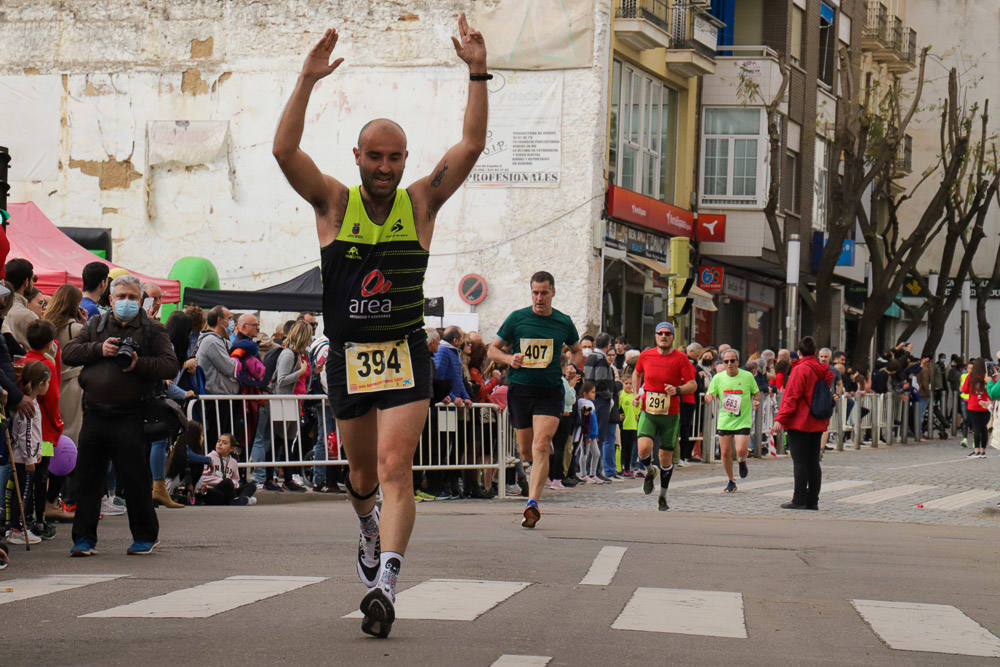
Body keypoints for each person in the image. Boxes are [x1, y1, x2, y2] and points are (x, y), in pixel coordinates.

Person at [272, 15, 488, 638]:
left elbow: (469, 148)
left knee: (396, 469)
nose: (386, 166)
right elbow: (285, 152)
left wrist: (477, 71)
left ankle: (386, 582)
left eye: (395, 157)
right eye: (376, 156)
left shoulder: (420, 204)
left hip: (404, 353)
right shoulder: (333, 204)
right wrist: (307, 80)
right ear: (358, 157)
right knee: (362, 476)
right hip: (348, 353)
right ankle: (367, 527)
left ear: (404, 160)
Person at [62, 274, 179, 556]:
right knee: (88, 480)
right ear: (111, 300)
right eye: (121, 297)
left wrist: (141, 364)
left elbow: (169, 366)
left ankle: (145, 536)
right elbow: (69, 352)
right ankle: (84, 540)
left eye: (131, 297)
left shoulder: (153, 329)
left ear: (140, 301)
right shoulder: (96, 325)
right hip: (95, 413)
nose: (126, 302)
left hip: (131, 414)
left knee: (135, 479)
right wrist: (98, 349)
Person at [488, 271, 582, 528]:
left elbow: (577, 350)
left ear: (553, 292)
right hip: (521, 389)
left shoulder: (563, 321)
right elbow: (492, 349)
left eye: (544, 292)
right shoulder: (517, 318)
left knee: (541, 445)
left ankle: (532, 504)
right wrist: (509, 359)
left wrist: (573, 367)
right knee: (527, 450)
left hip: (550, 390)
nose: (539, 297)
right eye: (535, 292)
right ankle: (538, 457)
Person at [632, 322, 696, 511]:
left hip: (671, 414)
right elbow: (637, 373)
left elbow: (692, 384)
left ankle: (663, 496)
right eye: (660, 333)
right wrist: (637, 393)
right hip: (649, 411)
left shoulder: (681, 359)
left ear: (673, 337)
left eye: (667, 333)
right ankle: (650, 470)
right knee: (643, 449)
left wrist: (677, 390)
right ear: (655, 336)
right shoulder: (646, 355)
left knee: (665, 458)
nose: (664, 336)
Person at [772, 336, 833, 510]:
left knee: (799, 461)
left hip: (800, 421)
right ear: (815, 352)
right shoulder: (823, 369)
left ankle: (798, 498)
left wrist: (780, 419)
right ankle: (813, 499)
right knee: (813, 461)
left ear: (798, 352)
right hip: (817, 419)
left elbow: (791, 397)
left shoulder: (800, 370)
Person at [43, 284, 85, 520]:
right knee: (71, 444)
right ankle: (63, 500)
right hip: (73, 388)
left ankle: (47, 499)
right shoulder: (76, 329)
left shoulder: (48, 326)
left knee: (51, 443)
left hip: (51, 390)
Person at [21, 320, 64, 539]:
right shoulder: (45, 366)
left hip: (27, 431)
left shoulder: (24, 362)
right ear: (49, 343)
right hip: (45, 433)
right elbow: (53, 397)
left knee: (26, 476)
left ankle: (26, 517)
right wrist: (58, 423)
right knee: (42, 473)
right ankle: (38, 519)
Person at [5, 361, 50, 545]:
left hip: (25, 456)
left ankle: (19, 526)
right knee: (22, 495)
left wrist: (38, 451)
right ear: (40, 384)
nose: (48, 386)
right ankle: (16, 528)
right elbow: (26, 435)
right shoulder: (29, 406)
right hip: (23, 460)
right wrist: (30, 457)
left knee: (22, 493)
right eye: (47, 382)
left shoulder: (29, 403)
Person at [704, 348, 759, 493]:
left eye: (732, 361)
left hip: (742, 419)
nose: (729, 364)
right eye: (726, 361)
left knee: (740, 449)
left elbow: (757, 393)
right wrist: (708, 397)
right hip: (725, 420)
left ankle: (741, 460)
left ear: (738, 362)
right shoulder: (718, 378)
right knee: (725, 453)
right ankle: (731, 481)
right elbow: (710, 393)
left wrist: (756, 402)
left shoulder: (747, 376)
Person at [584, 333, 619, 481]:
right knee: (599, 434)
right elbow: (601, 381)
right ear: (608, 344)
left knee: (593, 433)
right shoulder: (600, 360)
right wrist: (608, 395)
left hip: (592, 399)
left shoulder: (590, 357)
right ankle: (595, 471)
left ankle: (591, 470)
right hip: (600, 400)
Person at [195, 433, 257, 505]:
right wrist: (223, 481)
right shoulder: (209, 458)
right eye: (218, 441)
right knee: (226, 483)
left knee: (252, 486)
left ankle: (239, 499)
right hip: (214, 489)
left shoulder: (233, 462)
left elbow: (236, 479)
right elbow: (204, 478)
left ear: (231, 448)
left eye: (224, 443)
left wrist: (234, 483)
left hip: (229, 490)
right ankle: (240, 500)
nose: (220, 444)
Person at [2, 258, 37, 348]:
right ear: (26, 282)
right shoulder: (28, 315)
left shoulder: (3, 309)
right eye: (32, 279)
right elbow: (49, 349)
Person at [961, 359, 990, 458]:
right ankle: (983, 451)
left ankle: (976, 450)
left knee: (976, 428)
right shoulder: (987, 377)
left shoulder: (970, 377)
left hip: (973, 406)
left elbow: (964, 390)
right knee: (984, 428)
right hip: (986, 405)